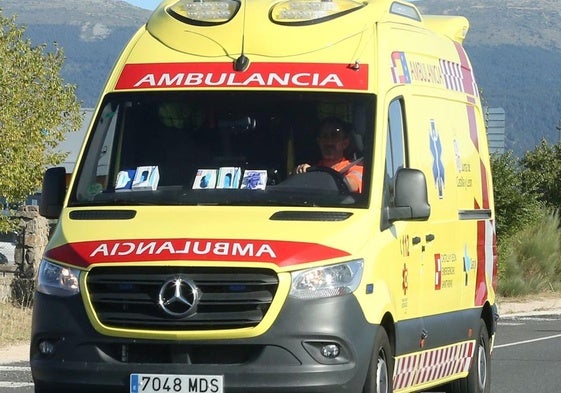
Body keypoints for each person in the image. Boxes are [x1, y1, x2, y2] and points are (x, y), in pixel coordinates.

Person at [295, 117, 363, 192]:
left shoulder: (355, 168)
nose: (329, 142)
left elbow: (351, 185)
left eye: (334, 136)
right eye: (324, 136)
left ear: (345, 143)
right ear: (319, 142)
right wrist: (301, 173)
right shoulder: (310, 169)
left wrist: (313, 179)